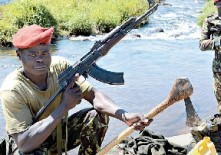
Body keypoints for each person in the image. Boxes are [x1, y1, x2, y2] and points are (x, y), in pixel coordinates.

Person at [0, 24, 152, 154]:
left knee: (96, 116)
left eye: (45, 53)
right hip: (32, 143)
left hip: (59, 134)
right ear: (19, 55)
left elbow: (94, 96)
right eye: (32, 54)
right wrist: (65, 106)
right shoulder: (12, 89)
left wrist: (125, 116)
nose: (40, 58)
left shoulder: (61, 68)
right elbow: (24, 144)